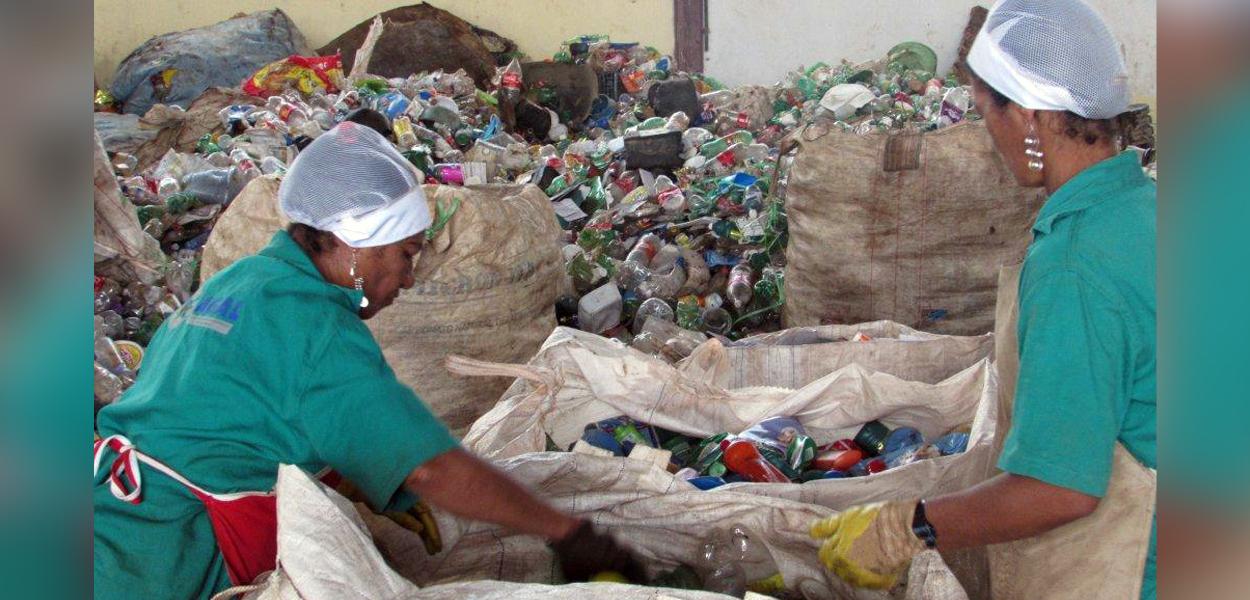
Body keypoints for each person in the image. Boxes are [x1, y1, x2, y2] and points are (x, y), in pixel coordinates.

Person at [93, 122, 643, 600]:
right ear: (355, 241)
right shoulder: (313, 325)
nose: (407, 278)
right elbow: (431, 466)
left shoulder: (241, 283)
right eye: (405, 254)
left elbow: (245, 415)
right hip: (160, 560)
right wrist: (568, 533)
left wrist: (361, 482)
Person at [809, 0, 1156, 598]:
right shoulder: (1149, 209)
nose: (987, 134)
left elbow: (1060, 488)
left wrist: (906, 526)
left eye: (984, 112)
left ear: (1025, 115)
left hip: (1132, 569)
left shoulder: (1074, 263)